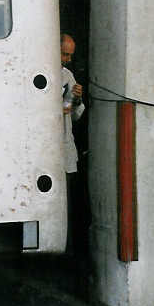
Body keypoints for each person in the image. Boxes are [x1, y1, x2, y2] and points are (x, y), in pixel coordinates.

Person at [60, 32, 87, 256]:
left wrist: (76, 99)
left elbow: (75, 114)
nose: (67, 59)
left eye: (70, 55)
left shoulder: (68, 74)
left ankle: (67, 249)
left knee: (69, 202)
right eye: (64, 54)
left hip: (65, 146)